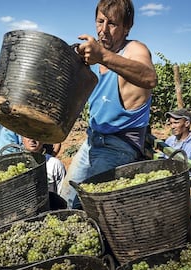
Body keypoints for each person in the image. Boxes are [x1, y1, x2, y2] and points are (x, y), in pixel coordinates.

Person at [59, 0, 158, 208]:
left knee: (92, 208)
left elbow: (150, 78)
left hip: (119, 146)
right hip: (92, 141)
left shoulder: (134, 50)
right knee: (66, 199)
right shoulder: (95, 60)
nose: (103, 30)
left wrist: (103, 56)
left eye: (112, 23)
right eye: (100, 21)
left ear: (127, 27)